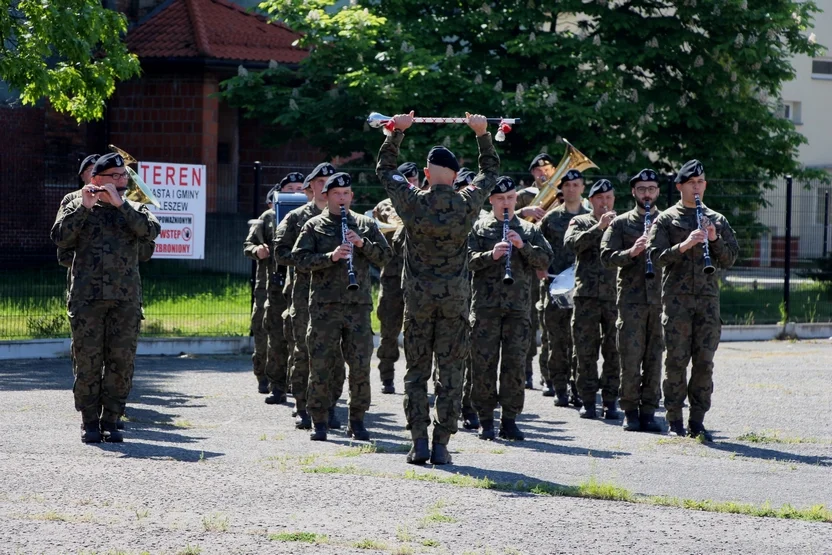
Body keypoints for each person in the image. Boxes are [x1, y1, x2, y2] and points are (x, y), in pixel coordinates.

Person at [376, 111, 499, 465]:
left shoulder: (412, 201)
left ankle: (418, 442)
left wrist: (397, 132)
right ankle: (442, 443)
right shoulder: (467, 201)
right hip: (456, 303)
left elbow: (385, 170)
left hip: (417, 302)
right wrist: (482, 134)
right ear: (458, 175)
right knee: (451, 373)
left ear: (426, 174)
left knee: (416, 372)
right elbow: (490, 173)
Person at [51, 153, 161, 443]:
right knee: (87, 362)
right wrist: (84, 209)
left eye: (123, 176)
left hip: (125, 300)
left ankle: (111, 419)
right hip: (86, 299)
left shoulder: (134, 207)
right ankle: (89, 421)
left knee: (120, 363)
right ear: (96, 179)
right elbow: (60, 237)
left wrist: (122, 206)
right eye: (115, 176)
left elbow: (151, 232)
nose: (121, 181)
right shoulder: (76, 204)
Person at [293, 172, 392, 441]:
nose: (342, 198)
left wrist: (362, 243)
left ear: (352, 196)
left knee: (360, 366)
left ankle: (357, 420)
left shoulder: (365, 224)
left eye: (346, 193)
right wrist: (330, 256)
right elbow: (298, 260)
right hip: (324, 307)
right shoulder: (314, 225)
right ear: (325, 196)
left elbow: (386, 258)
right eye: (337, 194)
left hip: (358, 307)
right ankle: (319, 420)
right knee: (322, 365)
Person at [647, 159, 739, 440]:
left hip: (708, 303)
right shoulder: (666, 219)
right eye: (691, 183)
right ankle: (674, 419)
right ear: (680, 187)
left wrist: (714, 238)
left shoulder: (717, 220)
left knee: (704, 362)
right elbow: (655, 257)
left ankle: (697, 420)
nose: (697, 187)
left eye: (700, 182)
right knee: (675, 361)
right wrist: (684, 245)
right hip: (677, 302)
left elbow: (731, 258)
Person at [467, 176, 553, 441]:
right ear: (491, 200)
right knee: (483, 363)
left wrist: (522, 246)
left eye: (510, 198)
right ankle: (484, 419)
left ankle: (510, 419)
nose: (506, 203)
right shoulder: (479, 228)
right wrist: (490, 256)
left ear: (516, 199)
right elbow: (465, 261)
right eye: (500, 199)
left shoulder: (529, 230)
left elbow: (546, 260)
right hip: (485, 308)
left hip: (518, 309)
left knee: (514, 364)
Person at [274, 163, 346, 430]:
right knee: (304, 352)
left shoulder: (345, 217)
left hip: (336, 295)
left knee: (335, 355)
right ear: (310, 188)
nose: (326, 186)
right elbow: (280, 253)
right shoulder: (295, 218)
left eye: (331, 182)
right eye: (321, 182)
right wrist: (315, 259)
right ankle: (303, 406)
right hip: (304, 294)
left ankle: (330, 406)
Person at [600, 169, 664, 432]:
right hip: (631, 301)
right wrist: (632, 252)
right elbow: (606, 255)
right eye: (641, 189)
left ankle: (649, 410)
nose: (646, 194)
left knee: (654, 357)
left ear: (657, 191)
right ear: (633, 192)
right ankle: (630, 409)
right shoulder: (621, 223)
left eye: (651, 189)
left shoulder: (667, 221)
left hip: (660, 299)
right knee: (630, 356)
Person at [564, 179, 620, 419]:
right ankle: (587, 400)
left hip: (614, 297)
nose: (604, 203)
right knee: (585, 351)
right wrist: (598, 228)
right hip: (586, 296)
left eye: (608, 198)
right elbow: (570, 244)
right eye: (599, 198)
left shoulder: (622, 224)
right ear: (591, 200)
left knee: (613, 351)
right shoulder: (580, 221)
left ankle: (610, 401)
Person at [248, 172, 306, 405]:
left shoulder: (307, 216)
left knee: (292, 334)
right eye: (291, 188)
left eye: (300, 188)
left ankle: (291, 380)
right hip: (269, 283)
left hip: (294, 284)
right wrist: (257, 250)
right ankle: (265, 377)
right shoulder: (269, 217)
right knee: (265, 330)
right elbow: (248, 244)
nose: (296, 192)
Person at [538, 169, 588, 406]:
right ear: (562, 189)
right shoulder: (551, 218)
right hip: (555, 286)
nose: (571, 189)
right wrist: (539, 267)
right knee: (557, 340)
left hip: (583, 289)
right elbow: (537, 245)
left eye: (576, 185)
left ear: (582, 188)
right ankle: (559, 387)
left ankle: (578, 388)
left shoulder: (591, 218)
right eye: (567, 185)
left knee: (581, 341)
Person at [374, 162, 421, 394]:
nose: (412, 185)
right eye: (407, 181)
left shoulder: (425, 204)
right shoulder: (385, 205)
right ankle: (387, 375)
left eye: (415, 181)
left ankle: (414, 377)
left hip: (417, 278)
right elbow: (383, 224)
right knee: (389, 328)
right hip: (393, 277)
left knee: (417, 330)